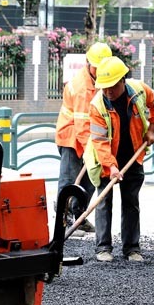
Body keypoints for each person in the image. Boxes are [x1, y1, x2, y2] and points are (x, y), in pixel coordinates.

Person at [83, 56, 154, 262]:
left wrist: (152, 129)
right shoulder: (97, 106)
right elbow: (100, 142)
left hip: (133, 156)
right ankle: (103, 248)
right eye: (104, 87)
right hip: (104, 159)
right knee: (104, 201)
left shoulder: (138, 90)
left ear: (122, 81)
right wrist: (111, 167)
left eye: (112, 86)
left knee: (131, 202)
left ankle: (132, 249)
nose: (108, 91)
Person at [55, 42, 113, 233]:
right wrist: (93, 148)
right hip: (72, 136)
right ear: (89, 63)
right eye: (98, 66)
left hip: (90, 137)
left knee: (89, 179)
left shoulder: (100, 80)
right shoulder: (81, 87)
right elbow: (81, 125)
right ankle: (64, 218)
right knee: (70, 179)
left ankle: (80, 216)